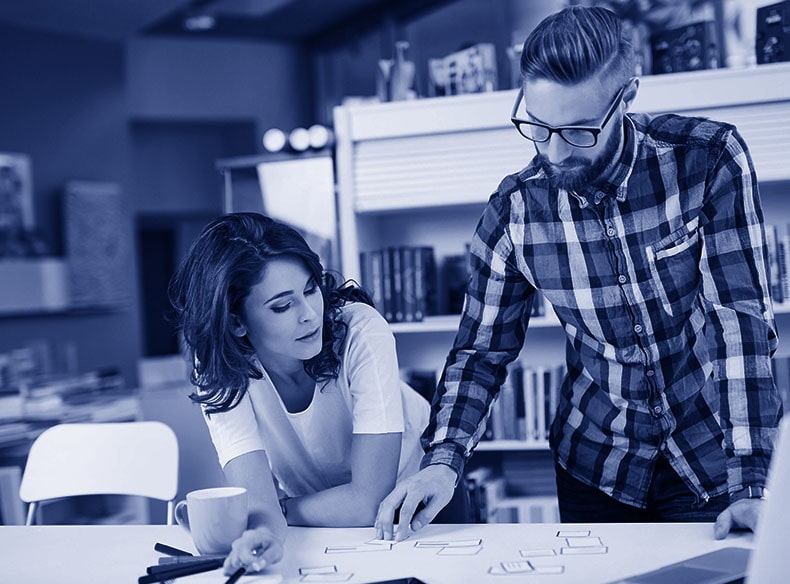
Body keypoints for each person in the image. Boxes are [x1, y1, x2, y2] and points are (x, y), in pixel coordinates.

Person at [375, 5, 783, 542]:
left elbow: (740, 322)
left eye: (577, 131)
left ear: (627, 95)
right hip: (595, 465)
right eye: (538, 127)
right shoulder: (515, 211)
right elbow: (481, 353)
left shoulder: (706, 160)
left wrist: (752, 481)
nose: (554, 151)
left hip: (713, 457)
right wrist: (442, 462)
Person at [169, 212, 459, 575]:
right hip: (312, 524)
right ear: (236, 321)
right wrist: (264, 534)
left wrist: (276, 511)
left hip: (416, 509)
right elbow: (258, 501)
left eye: (310, 289)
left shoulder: (362, 330)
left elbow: (368, 501)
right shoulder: (219, 364)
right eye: (282, 306)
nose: (310, 315)